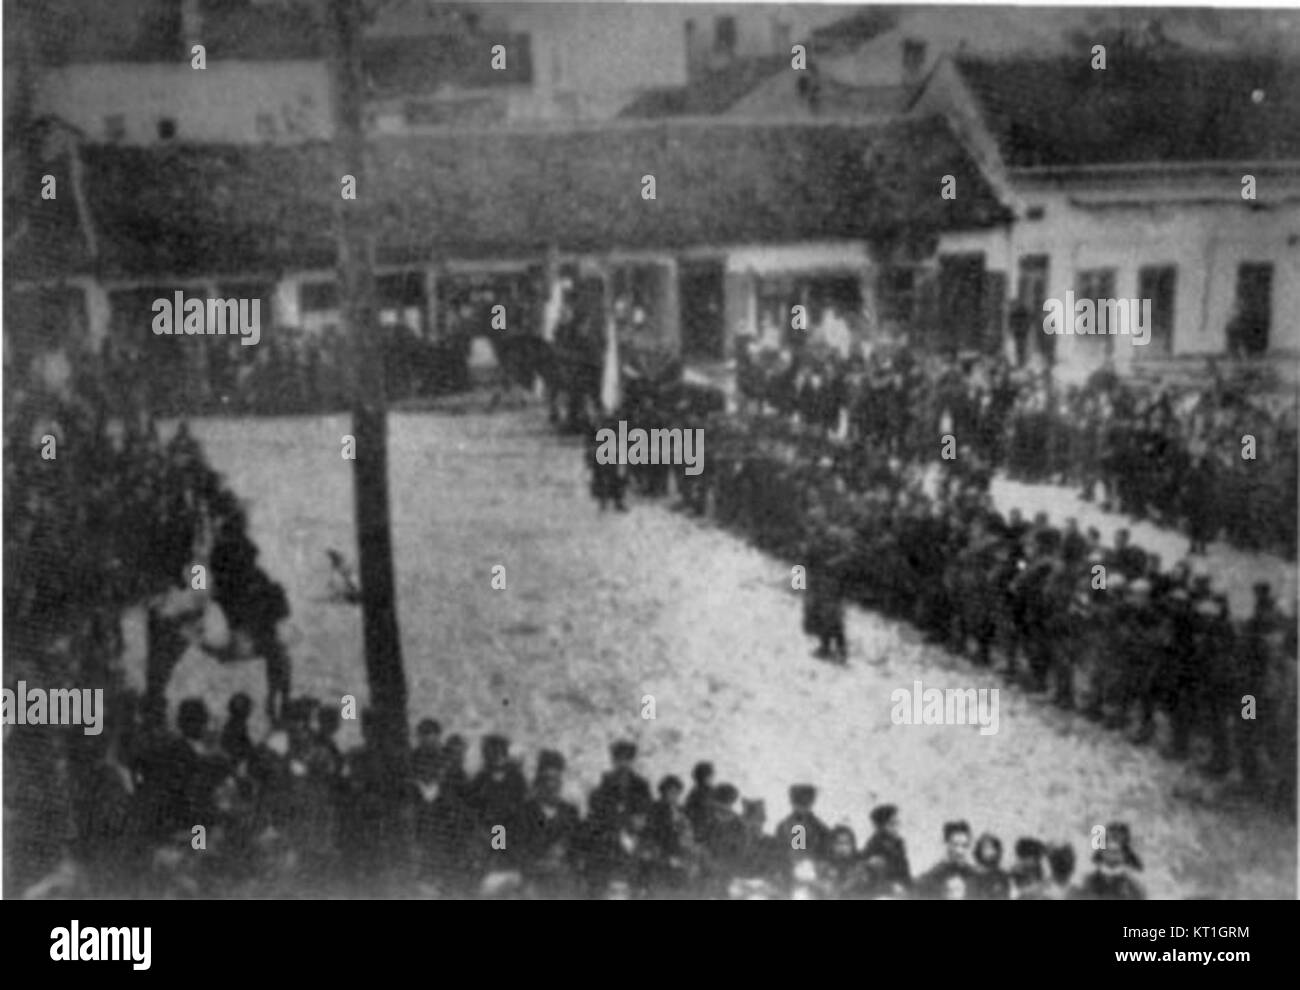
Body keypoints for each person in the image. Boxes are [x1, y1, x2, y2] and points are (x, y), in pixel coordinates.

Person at [917, 820, 977, 898]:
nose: (959, 851)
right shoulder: (931, 878)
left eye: (964, 845)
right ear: (946, 844)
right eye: (955, 845)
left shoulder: (975, 877)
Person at [861, 804, 911, 895]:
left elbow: (905, 874)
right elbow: (872, 882)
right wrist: (891, 887)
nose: (896, 828)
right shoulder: (874, 848)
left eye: (897, 823)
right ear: (880, 827)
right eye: (892, 824)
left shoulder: (898, 845)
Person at [775, 784, 831, 863]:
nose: (801, 807)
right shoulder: (783, 827)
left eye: (805, 802)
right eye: (798, 801)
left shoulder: (820, 828)